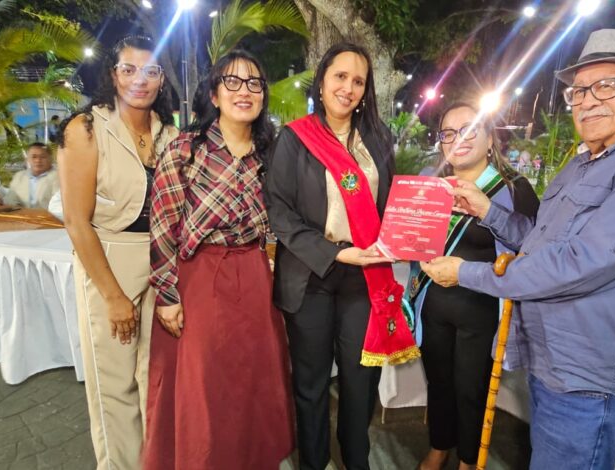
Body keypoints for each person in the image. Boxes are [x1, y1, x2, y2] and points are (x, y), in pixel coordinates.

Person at [421, 29, 615, 470]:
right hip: (554, 368)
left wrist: (463, 273)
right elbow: (538, 241)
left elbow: (573, 265)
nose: (588, 101)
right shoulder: (582, 165)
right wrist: (488, 211)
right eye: (578, 91)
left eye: (606, 86)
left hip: (592, 381)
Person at [266, 42, 418, 470]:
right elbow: (279, 211)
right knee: (311, 385)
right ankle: (313, 463)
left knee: (360, 379)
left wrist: (415, 226)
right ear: (322, 80)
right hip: (310, 276)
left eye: (358, 81)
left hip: (364, 279)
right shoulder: (294, 139)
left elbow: (391, 205)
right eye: (340, 76)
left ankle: (356, 459)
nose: (348, 88)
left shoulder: (377, 138)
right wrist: (335, 253)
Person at [144, 50, 294, 470]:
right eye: (232, 82)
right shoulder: (185, 149)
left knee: (252, 382)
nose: (244, 91)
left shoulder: (270, 155)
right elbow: (162, 227)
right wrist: (167, 296)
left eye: (254, 83)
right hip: (199, 278)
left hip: (254, 276)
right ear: (214, 93)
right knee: (204, 386)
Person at [56, 35, 178, 470]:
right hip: (109, 258)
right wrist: (112, 295)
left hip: (161, 262)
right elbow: (76, 221)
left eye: (150, 71)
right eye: (129, 69)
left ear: (161, 80)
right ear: (113, 74)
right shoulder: (86, 128)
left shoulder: (170, 134)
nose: (139, 80)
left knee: (154, 378)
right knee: (114, 385)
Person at [413, 103, 539, 470]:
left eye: (469, 130)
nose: (458, 139)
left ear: (489, 139)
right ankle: (439, 446)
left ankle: (468, 459)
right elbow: (411, 234)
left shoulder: (513, 188)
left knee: (471, 388)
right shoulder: (429, 181)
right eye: (448, 133)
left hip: (481, 308)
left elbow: (531, 244)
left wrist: (486, 209)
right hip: (432, 303)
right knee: (438, 382)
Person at [3, 142, 60, 208]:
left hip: (47, 214)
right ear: (27, 159)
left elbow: (58, 205)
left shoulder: (58, 177)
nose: (38, 160)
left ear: (50, 159)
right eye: (34, 157)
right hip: (20, 213)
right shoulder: (19, 176)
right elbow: (10, 200)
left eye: (43, 157)